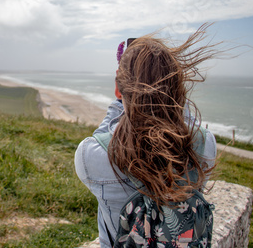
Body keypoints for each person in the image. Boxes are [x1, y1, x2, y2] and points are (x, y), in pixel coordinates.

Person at [74, 23, 219, 248]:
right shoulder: (205, 144)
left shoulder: (91, 156)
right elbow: (186, 121)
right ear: (177, 87)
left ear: (119, 87)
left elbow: (103, 135)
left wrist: (120, 94)